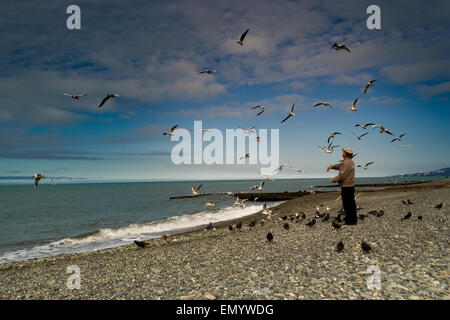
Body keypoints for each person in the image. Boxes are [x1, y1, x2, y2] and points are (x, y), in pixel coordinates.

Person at [327, 148, 357, 225]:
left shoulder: (346, 162)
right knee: (350, 203)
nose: (342, 153)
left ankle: (351, 221)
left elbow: (342, 176)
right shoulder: (350, 161)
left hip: (346, 186)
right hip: (350, 185)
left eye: (343, 152)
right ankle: (351, 218)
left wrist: (333, 180)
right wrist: (332, 166)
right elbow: (340, 166)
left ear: (345, 154)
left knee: (347, 204)